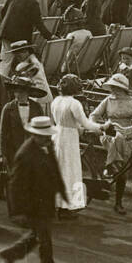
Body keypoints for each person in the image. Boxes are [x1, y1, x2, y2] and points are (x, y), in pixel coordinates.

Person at [0, 115, 68, 263]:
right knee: (45, 239)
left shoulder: (46, 145)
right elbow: (15, 184)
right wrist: (17, 211)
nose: (49, 139)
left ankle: (11, 253)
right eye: (45, 136)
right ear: (36, 135)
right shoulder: (25, 154)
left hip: (46, 199)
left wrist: (62, 190)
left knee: (37, 236)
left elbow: (54, 169)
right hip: (33, 204)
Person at [90, 73, 132, 215]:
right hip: (111, 133)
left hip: (127, 133)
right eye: (112, 87)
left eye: (116, 87)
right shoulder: (108, 100)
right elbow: (93, 115)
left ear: (123, 88)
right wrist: (101, 124)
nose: (113, 90)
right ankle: (111, 166)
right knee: (117, 143)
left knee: (122, 171)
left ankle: (118, 200)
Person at [49, 73, 101, 215]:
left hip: (57, 134)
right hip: (70, 138)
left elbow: (55, 119)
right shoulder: (74, 103)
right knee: (70, 171)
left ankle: (55, 204)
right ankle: (66, 207)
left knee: (58, 169)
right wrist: (100, 127)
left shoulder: (56, 101)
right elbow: (85, 123)